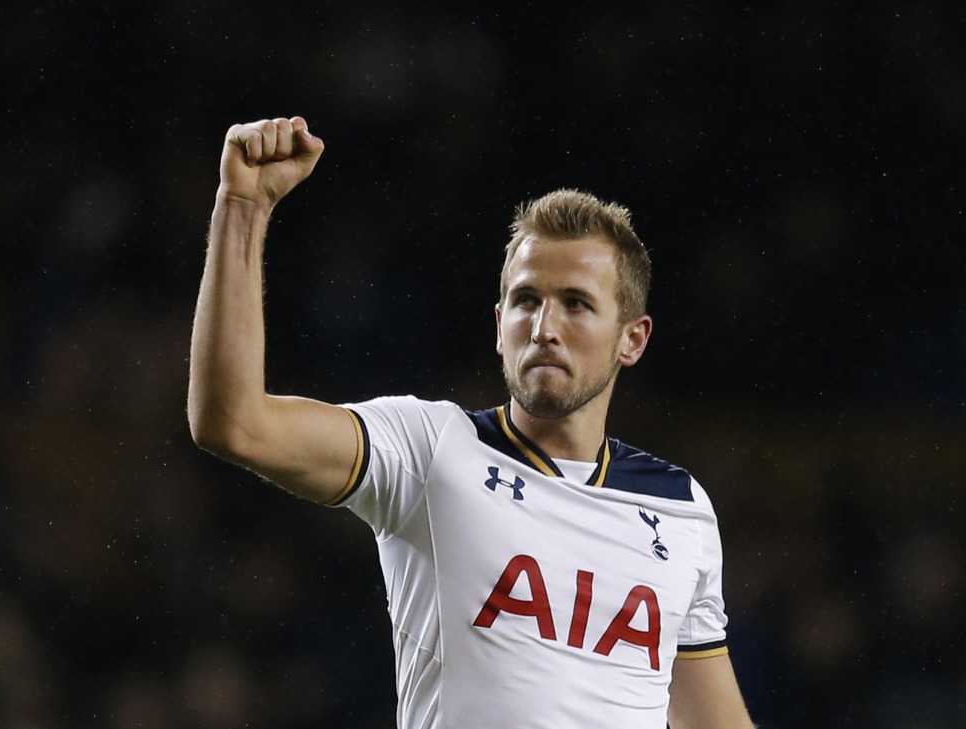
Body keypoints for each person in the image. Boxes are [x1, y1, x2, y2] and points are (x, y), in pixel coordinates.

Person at [188, 116, 757, 729]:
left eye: (576, 303)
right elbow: (234, 424)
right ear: (498, 324)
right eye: (526, 301)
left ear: (632, 339)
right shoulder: (430, 449)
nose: (543, 328)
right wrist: (242, 209)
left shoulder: (680, 508)